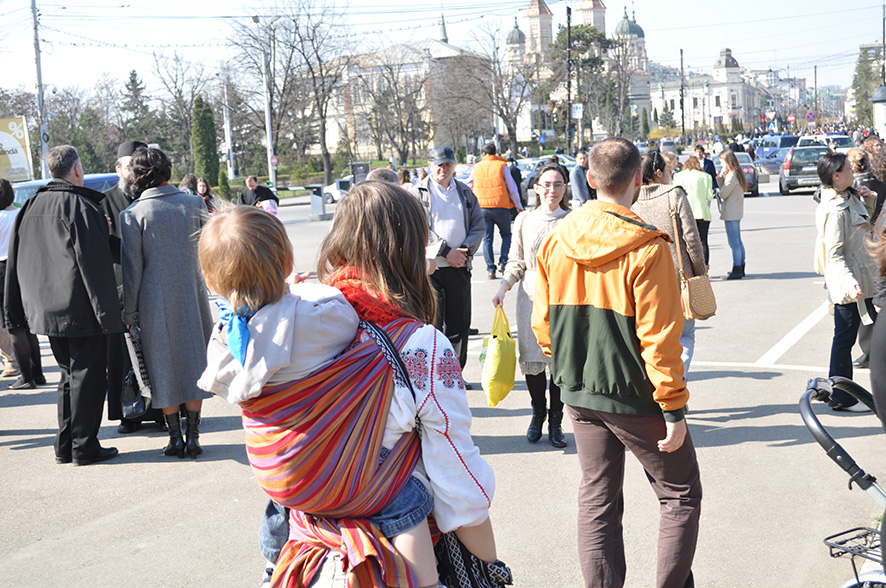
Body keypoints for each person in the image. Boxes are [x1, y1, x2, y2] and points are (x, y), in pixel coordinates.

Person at [202, 182, 499, 587]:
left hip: (302, 525)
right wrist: (491, 566)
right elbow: (457, 476)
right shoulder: (419, 344)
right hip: (390, 536)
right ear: (409, 247)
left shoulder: (282, 325)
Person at [532, 137, 702, 588]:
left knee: (598, 497)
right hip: (634, 393)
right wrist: (673, 409)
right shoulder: (647, 246)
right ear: (640, 181)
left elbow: (542, 322)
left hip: (579, 390)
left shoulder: (556, 237)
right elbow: (660, 340)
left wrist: (568, 367)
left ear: (588, 179)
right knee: (680, 494)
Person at [5, 145, 122, 465]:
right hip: (79, 308)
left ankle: (65, 443)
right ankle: (84, 445)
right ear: (77, 170)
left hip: (44, 309)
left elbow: (14, 262)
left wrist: (13, 309)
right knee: (87, 376)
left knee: (69, 376)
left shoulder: (30, 205)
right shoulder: (80, 206)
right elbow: (95, 266)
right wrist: (108, 315)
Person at [121, 146, 214, 458]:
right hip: (192, 293)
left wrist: (130, 312)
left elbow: (133, 271)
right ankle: (194, 436)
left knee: (164, 367)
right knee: (194, 363)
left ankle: (174, 437)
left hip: (152, 300)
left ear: (137, 176)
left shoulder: (133, 215)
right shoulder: (193, 204)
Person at [493, 163, 570, 447]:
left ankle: (557, 420)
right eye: (546, 184)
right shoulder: (524, 219)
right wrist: (504, 287)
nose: (552, 190)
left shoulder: (573, 221)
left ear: (565, 188)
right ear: (536, 187)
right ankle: (538, 412)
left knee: (559, 363)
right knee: (532, 359)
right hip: (529, 294)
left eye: (558, 184)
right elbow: (516, 259)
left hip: (564, 297)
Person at [100, 141, 164, 433]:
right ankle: (130, 414)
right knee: (122, 358)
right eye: (128, 167)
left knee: (156, 352)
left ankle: (164, 411)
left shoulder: (150, 199)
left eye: (137, 168)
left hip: (151, 287)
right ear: (118, 169)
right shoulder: (103, 202)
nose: (132, 173)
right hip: (119, 289)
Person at [409, 146, 483, 376]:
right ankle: (433, 375)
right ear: (430, 166)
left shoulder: (465, 192)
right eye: (439, 164)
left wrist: (463, 252)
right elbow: (419, 228)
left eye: (448, 164)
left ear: (454, 165)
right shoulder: (417, 193)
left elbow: (478, 225)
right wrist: (445, 251)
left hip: (459, 266)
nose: (444, 168)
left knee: (459, 325)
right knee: (432, 324)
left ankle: (454, 374)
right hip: (430, 269)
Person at [814, 152, 878, 412]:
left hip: (863, 277)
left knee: (845, 338)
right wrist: (850, 283)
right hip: (850, 284)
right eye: (848, 169)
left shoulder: (849, 196)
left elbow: (865, 225)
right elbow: (835, 254)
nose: (853, 171)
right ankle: (841, 396)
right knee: (844, 339)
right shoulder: (834, 209)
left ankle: (837, 393)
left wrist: (868, 198)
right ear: (835, 175)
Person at [632, 151, 707, 374]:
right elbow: (691, 238)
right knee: (684, 335)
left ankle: (657, 388)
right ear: (658, 173)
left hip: (641, 279)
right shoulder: (674, 194)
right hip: (678, 276)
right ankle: (676, 384)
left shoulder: (630, 199)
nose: (671, 172)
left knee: (650, 336)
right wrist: (699, 271)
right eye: (668, 169)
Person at [0, 179, 43, 389]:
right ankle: (38, 372)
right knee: (28, 325)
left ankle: (26, 377)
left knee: (13, 325)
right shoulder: (20, 214)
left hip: (1, 272)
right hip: (22, 267)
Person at [469, 143, 523, 280]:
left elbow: (469, 184)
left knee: (487, 239)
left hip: (482, 207)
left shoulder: (476, 167)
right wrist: (518, 204)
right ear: (496, 152)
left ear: (483, 154)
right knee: (506, 234)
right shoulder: (502, 166)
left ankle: (490, 270)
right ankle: (503, 262)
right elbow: (512, 187)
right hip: (501, 205)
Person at [674, 155, 715, 265]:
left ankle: (691, 268)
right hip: (702, 213)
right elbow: (710, 196)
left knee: (687, 243)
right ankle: (705, 269)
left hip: (684, 214)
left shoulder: (678, 176)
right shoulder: (706, 176)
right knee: (703, 242)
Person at [718, 149, 747, 280]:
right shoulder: (737, 174)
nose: (721, 165)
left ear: (728, 162)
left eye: (722, 162)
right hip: (736, 211)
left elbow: (723, 193)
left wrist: (720, 178)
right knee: (738, 241)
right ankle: (740, 266)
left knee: (734, 242)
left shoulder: (731, 176)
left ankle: (737, 268)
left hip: (731, 212)